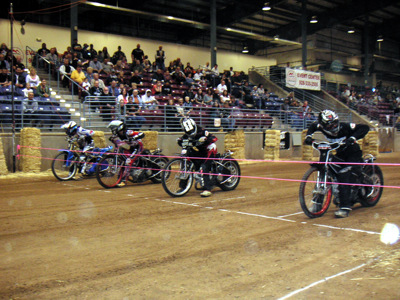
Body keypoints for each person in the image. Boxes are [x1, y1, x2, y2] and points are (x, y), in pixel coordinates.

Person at [304, 109, 370, 218]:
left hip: (353, 154)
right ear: (323, 126)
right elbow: (312, 127)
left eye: (334, 124)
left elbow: (364, 127)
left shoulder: (346, 127)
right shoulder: (319, 126)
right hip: (340, 154)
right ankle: (318, 204)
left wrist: (352, 138)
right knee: (329, 169)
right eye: (329, 126)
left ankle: (345, 207)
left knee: (344, 173)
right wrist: (308, 136)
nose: (333, 127)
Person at [177, 117, 218, 197]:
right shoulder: (186, 135)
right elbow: (181, 140)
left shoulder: (202, 131)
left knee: (204, 166)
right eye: (188, 131)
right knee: (186, 164)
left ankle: (207, 189)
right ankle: (182, 187)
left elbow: (214, 138)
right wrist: (179, 141)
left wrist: (206, 140)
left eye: (192, 131)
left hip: (209, 150)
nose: (190, 133)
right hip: (198, 152)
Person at [107, 120, 145, 187]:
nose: (112, 130)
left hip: (138, 147)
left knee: (128, 161)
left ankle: (124, 181)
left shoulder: (128, 132)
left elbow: (142, 134)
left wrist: (134, 137)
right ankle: (120, 179)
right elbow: (117, 142)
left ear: (119, 127)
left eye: (113, 128)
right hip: (131, 148)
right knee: (123, 160)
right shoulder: (117, 134)